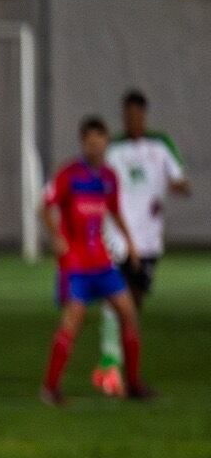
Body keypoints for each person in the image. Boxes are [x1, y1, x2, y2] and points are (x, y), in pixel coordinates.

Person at [41, 118, 148, 406]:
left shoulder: (109, 177)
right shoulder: (69, 174)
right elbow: (45, 206)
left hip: (101, 262)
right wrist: (56, 237)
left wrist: (131, 244)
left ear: (106, 142)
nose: (95, 146)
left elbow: (114, 212)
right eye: (89, 142)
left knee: (129, 314)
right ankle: (50, 388)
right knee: (72, 323)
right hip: (75, 265)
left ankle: (135, 384)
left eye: (99, 141)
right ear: (83, 144)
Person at [93, 90, 189, 396]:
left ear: (144, 116)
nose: (133, 121)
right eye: (128, 116)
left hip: (147, 240)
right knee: (117, 300)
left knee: (133, 303)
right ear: (123, 117)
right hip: (117, 238)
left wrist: (173, 185)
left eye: (137, 116)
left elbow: (181, 182)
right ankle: (111, 365)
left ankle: (119, 366)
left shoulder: (160, 145)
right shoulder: (114, 149)